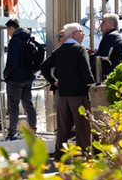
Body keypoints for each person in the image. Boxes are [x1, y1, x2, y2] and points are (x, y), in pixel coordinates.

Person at [40, 23, 95, 169]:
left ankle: (59, 156)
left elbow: (44, 67)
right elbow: (86, 72)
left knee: (63, 127)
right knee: (83, 126)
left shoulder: (59, 51)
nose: (83, 34)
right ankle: (84, 155)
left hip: (63, 94)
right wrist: (93, 85)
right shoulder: (79, 49)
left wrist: (54, 81)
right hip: (79, 94)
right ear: (73, 34)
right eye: (81, 32)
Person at [2, 18, 37, 141]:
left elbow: (13, 60)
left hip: (15, 79)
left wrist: (5, 73)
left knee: (13, 105)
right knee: (28, 103)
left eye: (8, 30)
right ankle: (33, 129)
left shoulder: (15, 41)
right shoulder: (28, 38)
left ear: (11, 28)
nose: (8, 33)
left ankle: (12, 132)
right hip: (28, 77)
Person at [89, 13, 122, 81]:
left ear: (110, 23)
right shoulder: (112, 35)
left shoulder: (112, 36)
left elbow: (103, 55)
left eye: (103, 22)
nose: (101, 24)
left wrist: (88, 56)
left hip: (108, 74)